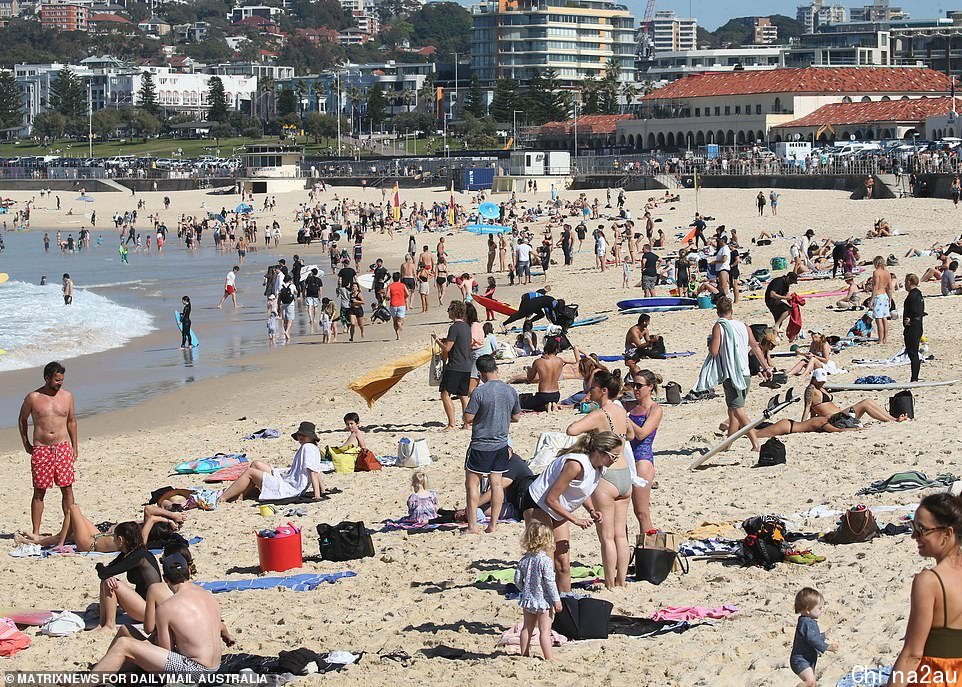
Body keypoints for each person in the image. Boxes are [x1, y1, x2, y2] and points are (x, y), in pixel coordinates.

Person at [91, 549, 225, 674]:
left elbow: (167, 653)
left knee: (124, 644)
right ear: (189, 572)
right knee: (125, 631)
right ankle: (104, 669)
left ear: (166, 579)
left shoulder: (165, 607)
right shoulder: (208, 596)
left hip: (196, 670)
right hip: (216, 665)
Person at [565, 371, 640, 588]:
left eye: (593, 388)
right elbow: (632, 435)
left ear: (603, 390)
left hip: (607, 477)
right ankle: (622, 581)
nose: (590, 392)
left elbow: (571, 429)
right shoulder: (620, 410)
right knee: (621, 534)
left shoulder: (600, 414)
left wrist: (591, 435)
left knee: (606, 536)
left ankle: (609, 583)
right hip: (625, 473)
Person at [521, 431, 620, 591]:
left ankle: (566, 603)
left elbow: (582, 491)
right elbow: (550, 499)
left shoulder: (598, 467)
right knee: (545, 560)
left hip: (558, 509)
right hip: (537, 503)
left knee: (563, 564)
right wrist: (575, 519)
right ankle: (542, 603)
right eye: (613, 456)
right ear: (600, 451)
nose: (615, 461)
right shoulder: (576, 464)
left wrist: (591, 510)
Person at [887, 493, 962, 687]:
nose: (914, 535)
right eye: (913, 527)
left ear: (947, 533)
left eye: (921, 529)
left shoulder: (929, 581)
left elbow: (912, 655)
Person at [695, 297, 772, 452]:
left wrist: (710, 342)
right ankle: (727, 445)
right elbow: (756, 347)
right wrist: (766, 367)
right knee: (732, 411)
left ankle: (755, 443)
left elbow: (714, 351)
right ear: (731, 309)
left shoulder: (719, 326)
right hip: (745, 373)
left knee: (738, 410)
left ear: (717, 311)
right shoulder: (744, 326)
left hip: (732, 374)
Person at [463, 354, 521, 534]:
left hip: (481, 444)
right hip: (501, 444)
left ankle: (473, 526)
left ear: (480, 374)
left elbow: (468, 417)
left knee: (472, 484)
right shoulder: (510, 391)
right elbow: (516, 417)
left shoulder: (479, 392)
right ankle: (492, 525)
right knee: (496, 484)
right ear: (497, 369)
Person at [18, 361, 77, 536]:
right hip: (42, 448)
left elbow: (71, 421)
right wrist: (26, 443)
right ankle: (36, 531)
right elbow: (22, 420)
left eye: (61, 380)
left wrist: (74, 446)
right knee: (39, 491)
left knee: (67, 488)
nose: (60, 383)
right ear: (47, 378)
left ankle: (70, 529)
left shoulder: (67, 396)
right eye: (57, 380)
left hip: (62, 446)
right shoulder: (33, 398)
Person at [220, 422, 324, 502]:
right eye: (300, 435)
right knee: (256, 464)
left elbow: (313, 472)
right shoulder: (312, 447)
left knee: (250, 472)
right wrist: (323, 491)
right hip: (287, 480)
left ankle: (222, 498)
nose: (300, 438)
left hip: (290, 488)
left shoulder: (307, 448)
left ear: (311, 437)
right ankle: (242, 494)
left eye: (303, 436)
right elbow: (317, 470)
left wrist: (317, 495)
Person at [94, 521, 161, 631]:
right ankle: (102, 623)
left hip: (150, 612)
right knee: (107, 580)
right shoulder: (129, 553)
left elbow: (105, 572)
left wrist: (99, 565)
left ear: (120, 540)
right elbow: (107, 571)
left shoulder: (139, 556)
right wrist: (104, 571)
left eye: (114, 538)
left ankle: (110, 625)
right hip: (144, 606)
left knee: (110, 583)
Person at [514, 521, 562, 662]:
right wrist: (556, 599)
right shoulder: (545, 561)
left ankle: (524, 653)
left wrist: (525, 590)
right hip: (543, 600)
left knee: (526, 628)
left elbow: (517, 580)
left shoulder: (523, 560)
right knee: (545, 631)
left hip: (528, 599)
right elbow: (549, 582)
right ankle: (549, 657)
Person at [626, 370, 662, 533]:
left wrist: (624, 418)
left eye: (639, 385)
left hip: (643, 460)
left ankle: (649, 547)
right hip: (626, 458)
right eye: (633, 385)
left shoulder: (655, 409)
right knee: (630, 512)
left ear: (650, 387)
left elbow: (641, 434)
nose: (635, 389)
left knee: (642, 512)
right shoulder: (630, 405)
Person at [802, 368, 907, 424]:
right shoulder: (811, 389)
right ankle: (893, 420)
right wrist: (803, 425)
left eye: (823, 381)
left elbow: (814, 411)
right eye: (819, 381)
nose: (821, 383)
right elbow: (808, 408)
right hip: (835, 419)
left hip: (840, 416)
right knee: (865, 403)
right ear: (814, 378)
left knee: (868, 401)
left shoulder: (821, 388)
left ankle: (893, 419)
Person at [434, 300, 473, 430]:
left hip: (455, 365)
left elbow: (447, 349)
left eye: (449, 309)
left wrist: (437, 340)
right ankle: (467, 423)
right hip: (467, 365)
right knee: (463, 395)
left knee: (445, 394)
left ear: (454, 311)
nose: (448, 311)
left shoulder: (454, 327)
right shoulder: (467, 327)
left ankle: (451, 424)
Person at [790, 588, 838, 687]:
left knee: (812, 683)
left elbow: (812, 637)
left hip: (807, 659)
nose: (822, 611)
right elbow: (813, 640)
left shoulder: (807, 621)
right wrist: (827, 647)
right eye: (819, 608)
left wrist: (824, 635)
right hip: (800, 660)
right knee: (810, 682)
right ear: (808, 609)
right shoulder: (806, 622)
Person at [520, 338, 564, 411]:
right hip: (556, 395)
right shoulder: (560, 361)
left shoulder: (538, 362)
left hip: (543, 395)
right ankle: (552, 404)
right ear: (556, 349)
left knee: (523, 404)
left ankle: (545, 406)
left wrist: (528, 369)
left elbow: (530, 379)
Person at [903, 273, 925, 383]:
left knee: (913, 353)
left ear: (909, 282)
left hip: (913, 327)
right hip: (918, 326)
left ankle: (914, 378)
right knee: (913, 353)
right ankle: (914, 377)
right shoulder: (918, 294)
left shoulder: (913, 295)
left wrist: (910, 320)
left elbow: (917, 311)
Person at [871, 255, 894, 344]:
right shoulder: (887, 273)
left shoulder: (876, 272)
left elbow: (875, 286)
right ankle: (885, 339)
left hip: (878, 296)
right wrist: (890, 299)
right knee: (885, 318)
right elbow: (889, 287)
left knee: (878, 318)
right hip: (885, 296)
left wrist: (872, 300)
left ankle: (880, 339)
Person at [387, 272, 409, 340]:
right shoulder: (402, 285)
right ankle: (399, 324)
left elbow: (387, 296)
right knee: (401, 319)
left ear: (393, 279)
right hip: (401, 304)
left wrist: (388, 298)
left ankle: (398, 336)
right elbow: (407, 293)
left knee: (394, 320)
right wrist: (404, 297)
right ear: (399, 278)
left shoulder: (390, 286)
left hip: (393, 304)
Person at [279, 276, 296, 342]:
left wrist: (278, 306)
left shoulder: (281, 286)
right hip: (290, 304)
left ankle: (286, 332)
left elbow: (279, 297)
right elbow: (296, 292)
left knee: (285, 319)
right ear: (290, 280)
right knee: (290, 319)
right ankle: (287, 331)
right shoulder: (292, 286)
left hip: (283, 304)